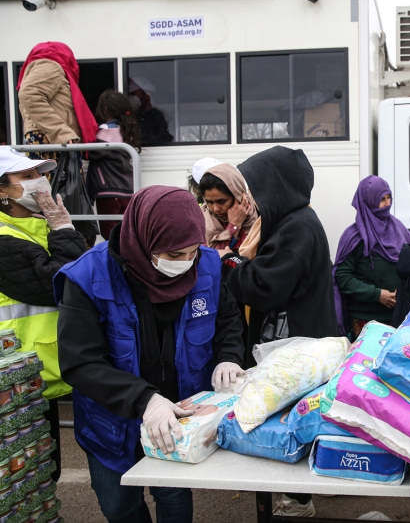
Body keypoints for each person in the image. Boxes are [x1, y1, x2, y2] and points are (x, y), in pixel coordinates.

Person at [55, 186, 245, 523]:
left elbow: (227, 318)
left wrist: (229, 356)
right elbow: (80, 362)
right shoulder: (87, 277)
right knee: (119, 504)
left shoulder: (207, 266)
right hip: (111, 421)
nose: (185, 264)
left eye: (192, 252)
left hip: (178, 416)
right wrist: (145, 400)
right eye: (174, 254)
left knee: (173, 495)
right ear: (143, 239)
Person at [223, 147, 336, 518]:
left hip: (296, 343)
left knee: (290, 419)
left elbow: (263, 286)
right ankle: (300, 493)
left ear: (274, 187)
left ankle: (299, 500)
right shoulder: (292, 221)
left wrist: (229, 261)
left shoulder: (297, 228)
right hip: (298, 338)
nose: (250, 198)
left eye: (254, 189)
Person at [0, 144, 86, 484]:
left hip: (38, 373)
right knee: (26, 479)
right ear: (2, 191)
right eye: (26, 175)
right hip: (17, 378)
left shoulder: (35, 226)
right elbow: (60, 282)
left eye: (39, 173)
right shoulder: (4, 239)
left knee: (43, 474)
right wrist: (63, 229)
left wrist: (59, 228)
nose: (39, 180)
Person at [333, 175, 410, 338]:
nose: (387, 203)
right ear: (368, 203)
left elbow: (409, 266)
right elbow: (343, 277)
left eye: (389, 197)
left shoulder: (398, 229)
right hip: (366, 321)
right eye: (382, 199)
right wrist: (377, 295)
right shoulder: (354, 237)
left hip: (398, 316)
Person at [17, 42, 98, 160]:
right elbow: (29, 94)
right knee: (60, 172)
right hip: (52, 141)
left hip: (50, 140)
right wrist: (61, 132)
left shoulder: (42, 69)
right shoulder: (51, 66)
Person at [87, 90, 139, 240]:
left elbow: (90, 153)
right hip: (127, 191)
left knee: (109, 234)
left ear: (104, 109)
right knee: (124, 233)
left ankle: (114, 255)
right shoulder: (127, 130)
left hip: (109, 191)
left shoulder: (105, 131)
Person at [198, 163, 258, 258]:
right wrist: (233, 225)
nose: (215, 209)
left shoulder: (259, 213)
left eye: (221, 201)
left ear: (237, 195)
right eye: (209, 202)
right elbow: (210, 257)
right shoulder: (202, 220)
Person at [129, 77, 173, 145]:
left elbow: (163, 139)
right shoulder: (128, 117)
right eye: (131, 95)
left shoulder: (156, 116)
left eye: (134, 94)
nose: (133, 98)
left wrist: (143, 138)